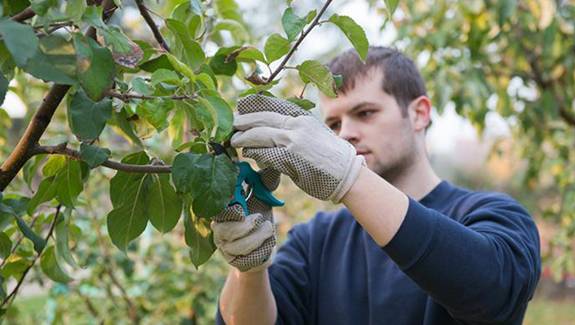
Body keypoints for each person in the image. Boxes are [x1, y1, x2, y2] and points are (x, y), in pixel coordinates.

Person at [212, 46, 541, 325]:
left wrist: (350, 177)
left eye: (365, 113)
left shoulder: (494, 214)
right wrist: (249, 269)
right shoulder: (315, 241)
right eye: (334, 124)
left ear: (419, 114)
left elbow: (492, 292)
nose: (346, 134)